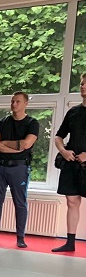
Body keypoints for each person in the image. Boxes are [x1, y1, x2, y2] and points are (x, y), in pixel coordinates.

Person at [0, 92, 38, 249]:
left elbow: (26, 144)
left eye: (18, 101)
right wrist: (15, 147)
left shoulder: (32, 123)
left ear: (26, 103)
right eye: (12, 101)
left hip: (19, 168)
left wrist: (4, 143)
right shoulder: (2, 122)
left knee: (20, 203)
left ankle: (20, 237)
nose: (14, 104)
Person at [51, 73, 86, 252]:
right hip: (72, 163)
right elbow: (59, 136)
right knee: (72, 201)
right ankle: (70, 242)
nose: (83, 86)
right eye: (82, 83)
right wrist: (63, 151)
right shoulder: (73, 112)